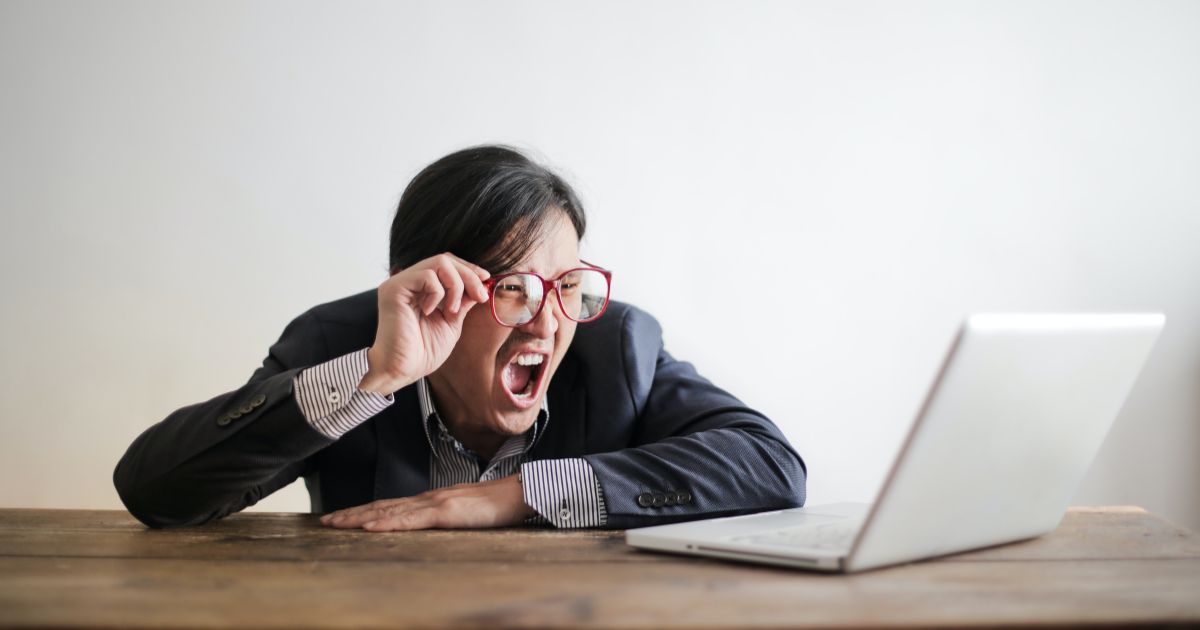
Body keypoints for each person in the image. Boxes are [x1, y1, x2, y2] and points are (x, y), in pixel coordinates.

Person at [113, 145, 807, 531]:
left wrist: (513, 495)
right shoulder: (340, 341)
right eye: (512, 288)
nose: (546, 321)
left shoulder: (616, 344)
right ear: (425, 286)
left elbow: (771, 465)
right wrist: (374, 378)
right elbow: (154, 491)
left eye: (567, 284)